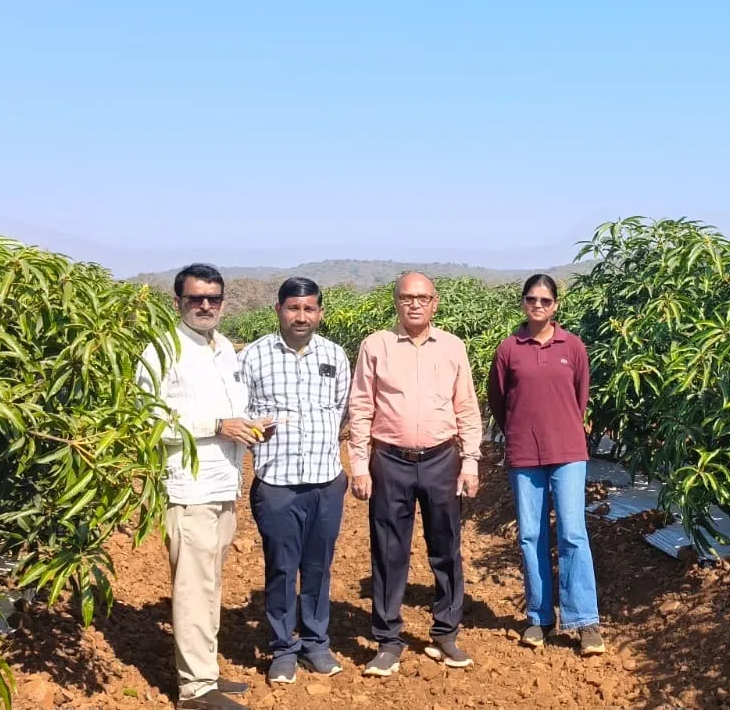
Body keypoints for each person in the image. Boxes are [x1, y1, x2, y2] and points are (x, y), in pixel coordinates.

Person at [135, 263, 268, 710]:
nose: (206, 305)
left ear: (224, 302)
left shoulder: (225, 348)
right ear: (178, 302)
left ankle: (205, 673)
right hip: (187, 488)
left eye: (213, 298)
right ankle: (194, 690)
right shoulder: (162, 351)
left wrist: (250, 426)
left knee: (210, 584)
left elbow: (230, 412)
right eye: (196, 298)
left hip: (222, 485)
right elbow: (148, 421)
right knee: (193, 588)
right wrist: (216, 425)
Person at [345, 271, 484, 677]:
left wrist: (470, 460)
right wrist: (359, 464)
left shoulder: (453, 348)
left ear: (435, 303)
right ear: (396, 303)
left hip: (443, 459)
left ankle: (446, 633)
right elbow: (361, 407)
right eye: (407, 298)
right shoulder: (376, 346)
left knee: (447, 547)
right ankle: (388, 640)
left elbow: (467, 408)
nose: (415, 304)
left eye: (422, 297)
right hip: (389, 461)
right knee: (389, 551)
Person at [237, 277, 353, 683]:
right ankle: (283, 647)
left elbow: (342, 410)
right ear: (278, 310)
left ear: (320, 313)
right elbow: (241, 412)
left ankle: (316, 644)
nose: (300, 316)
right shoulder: (253, 357)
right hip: (277, 483)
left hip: (325, 481)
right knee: (282, 567)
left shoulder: (335, 355)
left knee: (319, 565)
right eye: (293, 308)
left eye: (308, 309)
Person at [486, 274, 605, 656]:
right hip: (524, 454)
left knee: (572, 533)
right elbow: (499, 401)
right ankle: (539, 618)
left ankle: (585, 620)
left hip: (568, 452)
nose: (538, 306)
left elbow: (579, 396)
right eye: (531, 299)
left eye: (545, 300)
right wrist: (520, 431)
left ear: (555, 305)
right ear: (522, 303)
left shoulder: (573, 346)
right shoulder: (509, 349)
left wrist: (560, 427)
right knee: (530, 536)